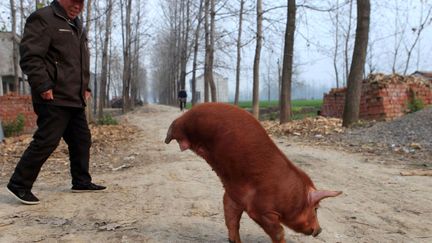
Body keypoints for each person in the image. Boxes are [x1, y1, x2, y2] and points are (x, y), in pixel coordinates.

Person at [6, 0, 106, 205]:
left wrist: (85, 87)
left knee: (81, 140)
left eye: (82, 2)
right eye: (74, 1)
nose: (78, 6)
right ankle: (19, 184)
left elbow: (79, 61)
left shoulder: (76, 24)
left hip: (74, 97)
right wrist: (42, 85)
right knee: (47, 140)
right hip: (53, 96)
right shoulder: (43, 18)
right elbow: (30, 56)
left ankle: (81, 181)